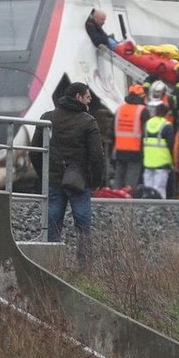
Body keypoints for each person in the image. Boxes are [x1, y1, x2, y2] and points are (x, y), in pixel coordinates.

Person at [31, 82, 104, 267]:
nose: (89, 101)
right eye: (88, 97)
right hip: (79, 182)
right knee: (82, 224)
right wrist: (96, 180)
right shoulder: (88, 122)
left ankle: (50, 264)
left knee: (53, 223)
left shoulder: (47, 118)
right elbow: (96, 154)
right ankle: (84, 266)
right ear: (78, 97)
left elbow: (34, 151)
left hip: (54, 181)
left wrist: (44, 174)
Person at [111, 83, 148, 190]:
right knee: (131, 182)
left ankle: (114, 202)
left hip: (119, 149)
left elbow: (112, 130)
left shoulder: (119, 109)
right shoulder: (142, 110)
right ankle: (129, 204)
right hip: (135, 150)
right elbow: (146, 132)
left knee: (118, 178)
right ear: (141, 96)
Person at [142, 102, 175, 198]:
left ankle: (147, 211)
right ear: (166, 113)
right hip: (162, 163)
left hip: (148, 162)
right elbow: (171, 145)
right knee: (159, 190)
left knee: (147, 191)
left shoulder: (147, 123)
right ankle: (159, 212)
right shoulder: (167, 125)